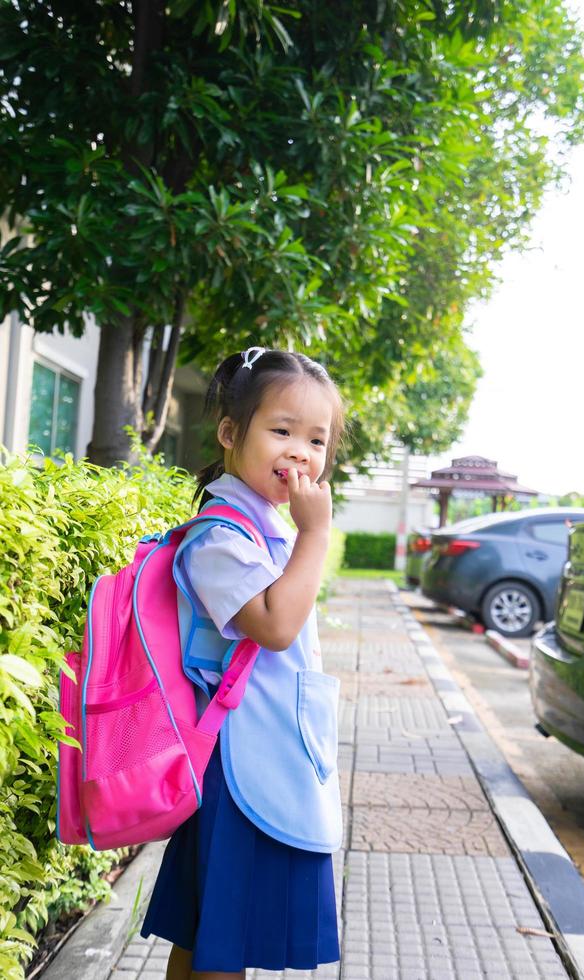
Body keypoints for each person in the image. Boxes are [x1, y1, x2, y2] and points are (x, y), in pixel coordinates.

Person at [140, 347, 346, 980]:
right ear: (232, 433)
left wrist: (300, 535)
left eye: (317, 439)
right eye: (281, 430)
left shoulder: (262, 528)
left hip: (262, 753)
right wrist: (315, 535)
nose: (300, 452)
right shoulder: (220, 536)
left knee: (210, 933)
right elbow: (276, 627)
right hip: (239, 765)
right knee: (221, 938)